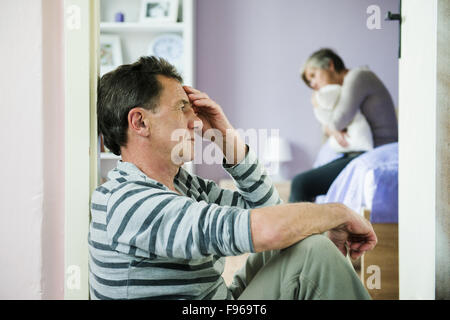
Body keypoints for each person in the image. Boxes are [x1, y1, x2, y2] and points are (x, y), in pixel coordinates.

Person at [89, 56, 377, 300]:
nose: (196, 122)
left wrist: (225, 136)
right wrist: (338, 212)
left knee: (298, 240)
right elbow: (264, 229)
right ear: (140, 122)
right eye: (181, 108)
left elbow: (272, 214)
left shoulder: (185, 185)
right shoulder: (128, 200)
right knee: (313, 253)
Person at [289, 48, 398, 203]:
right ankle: (308, 227)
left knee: (300, 183)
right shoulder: (348, 86)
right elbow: (334, 125)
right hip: (360, 153)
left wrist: (317, 105)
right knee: (307, 181)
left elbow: (337, 121)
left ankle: (297, 228)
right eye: (310, 83)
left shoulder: (359, 76)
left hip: (377, 152)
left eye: (313, 76)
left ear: (330, 65)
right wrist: (331, 130)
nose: (313, 85)